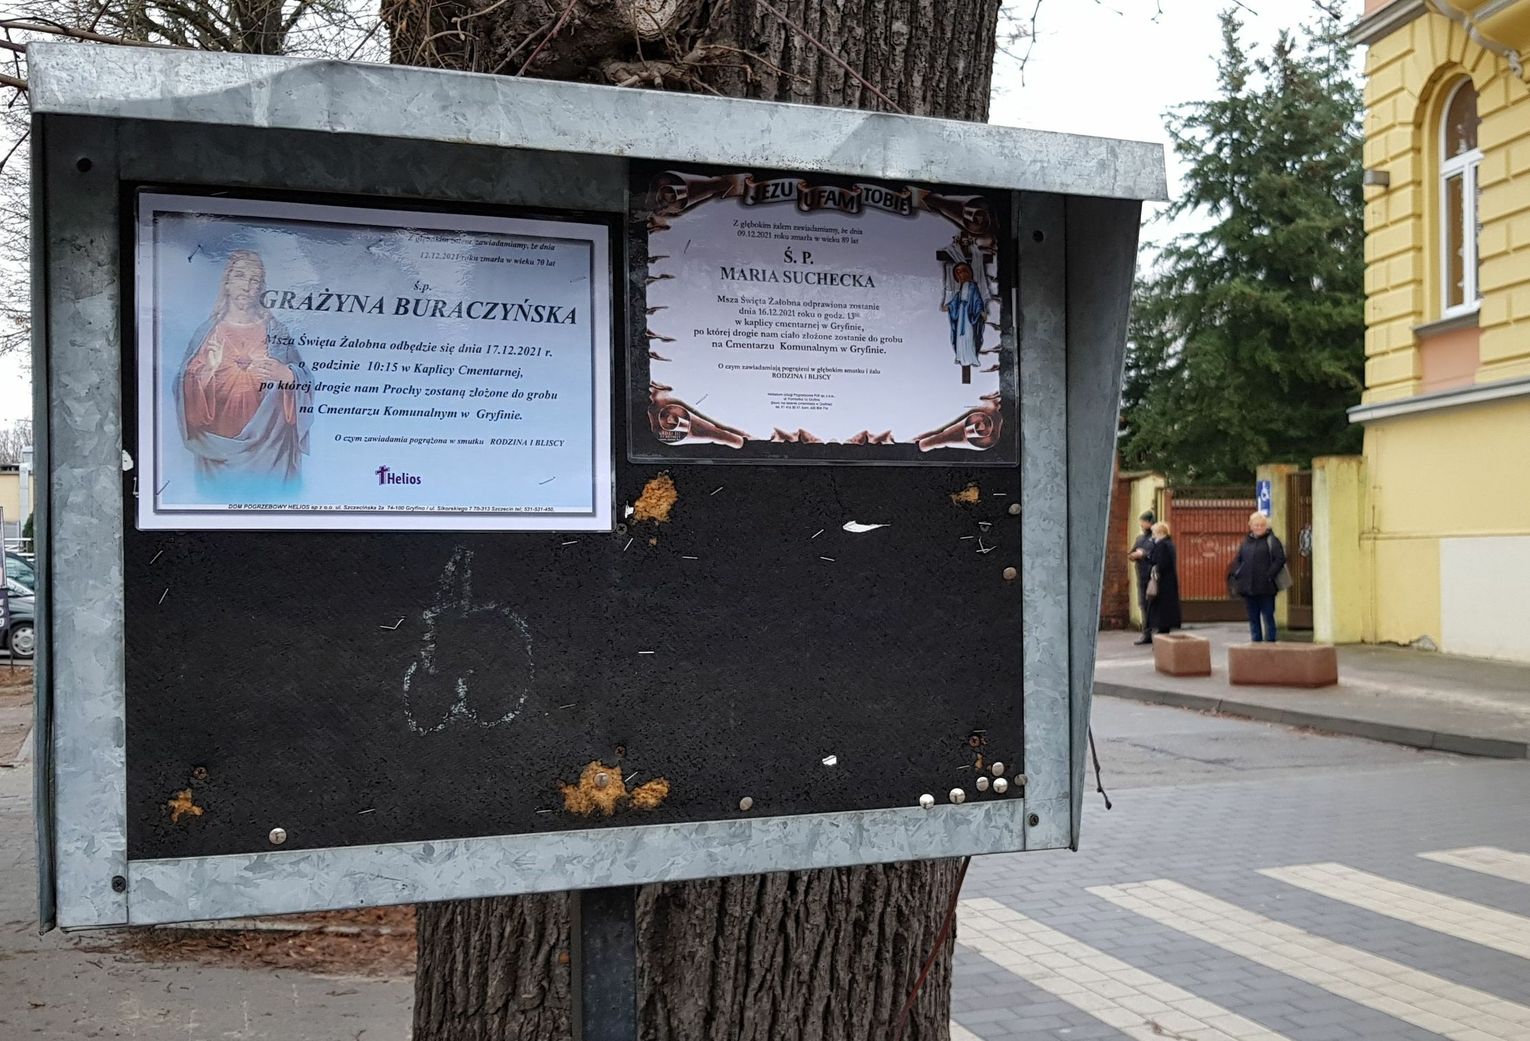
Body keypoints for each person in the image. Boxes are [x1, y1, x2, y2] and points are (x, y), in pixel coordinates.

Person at [177, 250, 313, 488]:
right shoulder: (208, 332)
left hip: (270, 447)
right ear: (227, 282)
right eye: (240, 276)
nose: (247, 286)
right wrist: (207, 371)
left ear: (261, 288)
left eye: (254, 280)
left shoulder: (277, 331)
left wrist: (288, 375)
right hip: (218, 445)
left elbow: (306, 379)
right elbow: (183, 384)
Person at [1230, 511, 1287, 643]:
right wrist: (1238, 573)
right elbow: (1238, 560)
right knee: (1253, 618)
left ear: (1266, 526)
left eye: (1261, 525)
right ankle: (1256, 643)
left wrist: (1269, 574)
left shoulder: (1272, 541)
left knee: (1268, 616)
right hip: (1248, 588)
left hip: (1266, 587)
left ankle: (1270, 643)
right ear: (1250, 525)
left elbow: (1280, 559)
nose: (1259, 528)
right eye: (1256, 525)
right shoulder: (1246, 542)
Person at [944, 261, 986, 371]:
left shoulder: (973, 287)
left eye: (962, 272)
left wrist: (980, 311)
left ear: (967, 273)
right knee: (960, 336)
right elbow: (956, 300)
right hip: (961, 314)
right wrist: (950, 306)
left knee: (968, 335)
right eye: (957, 273)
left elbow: (977, 300)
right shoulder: (961, 289)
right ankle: (961, 356)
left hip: (968, 315)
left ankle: (970, 357)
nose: (960, 275)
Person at [1143, 521, 1181, 640]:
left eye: (1154, 532)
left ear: (1160, 532)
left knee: (1161, 613)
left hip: (1162, 584)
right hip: (1168, 584)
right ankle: (1162, 635)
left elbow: (1161, 564)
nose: (1153, 535)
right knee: (1164, 613)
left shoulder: (1162, 545)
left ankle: (1162, 638)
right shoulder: (1169, 544)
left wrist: (1151, 564)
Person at [1128, 511, 1157, 645]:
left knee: (1153, 605)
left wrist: (1144, 554)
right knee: (1143, 605)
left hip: (1153, 577)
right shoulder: (1140, 539)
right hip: (1141, 576)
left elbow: (1157, 555)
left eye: (1143, 522)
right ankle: (1147, 633)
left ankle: (1157, 632)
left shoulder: (1155, 538)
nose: (1141, 524)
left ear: (1150, 522)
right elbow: (1131, 553)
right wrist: (1134, 555)